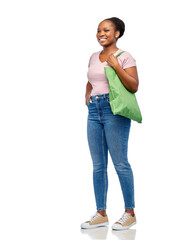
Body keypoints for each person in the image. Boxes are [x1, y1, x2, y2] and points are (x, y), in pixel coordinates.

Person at [81, 17, 139, 231]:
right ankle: (101, 213)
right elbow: (92, 79)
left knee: (120, 163)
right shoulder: (94, 56)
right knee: (98, 165)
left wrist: (116, 66)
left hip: (114, 110)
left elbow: (134, 86)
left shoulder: (124, 57)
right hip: (94, 110)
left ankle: (130, 213)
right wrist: (87, 92)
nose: (100, 33)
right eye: (98, 30)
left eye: (106, 30)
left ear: (117, 33)